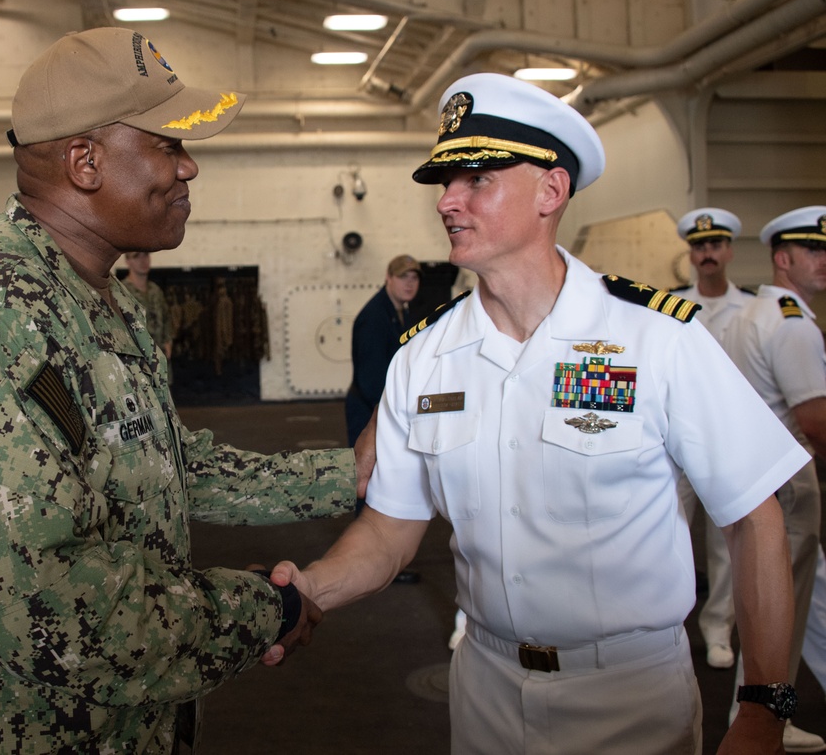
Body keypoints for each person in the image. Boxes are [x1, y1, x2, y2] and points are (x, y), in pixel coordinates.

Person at [266, 73, 806, 755]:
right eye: (444, 182)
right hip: (485, 692)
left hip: (632, 701)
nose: (448, 201)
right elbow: (390, 530)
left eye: (477, 179)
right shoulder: (424, 357)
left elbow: (754, 513)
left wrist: (763, 707)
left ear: (551, 191)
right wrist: (313, 587)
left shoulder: (656, 337)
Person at [0, 27, 368, 754]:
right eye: (168, 145)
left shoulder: (98, 298)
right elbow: (52, 607)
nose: (189, 166)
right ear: (85, 163)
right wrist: (265, 608)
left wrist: (345, 476)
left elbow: (161, 463)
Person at [722, 206, 826, 753]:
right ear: (783, 258)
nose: (825, 261)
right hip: (786, 475)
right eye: (814, 251)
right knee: (780, 603)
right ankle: (765, 721)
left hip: (756, 469)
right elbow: (815, 420)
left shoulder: (752, 312)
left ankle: (760, 713)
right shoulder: (791, 324)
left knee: (790, 602)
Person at [672, 207, 753, 671]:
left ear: (729, 251)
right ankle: (668, 622)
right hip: (680, 439)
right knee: (669, 530)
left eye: (715, 245)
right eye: (700, 246)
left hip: (730, 441)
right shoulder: (672, 305)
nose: (707, 253)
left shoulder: (754, 307)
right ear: (691, 254)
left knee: (727, 543)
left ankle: (718, 627)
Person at [345, 254, 421, 448]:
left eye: (414, 278)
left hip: (382, 408)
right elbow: (371, 380)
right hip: (370, 411)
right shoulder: (374, 318)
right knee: (368, 476)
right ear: (388, 277)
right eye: (403, 277)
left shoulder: (400, 311)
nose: (409, 284)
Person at [123, 250, 174, 359]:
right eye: (136, 256)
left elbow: (166, 318)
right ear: (128, 261)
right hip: (136, 360)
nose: (143, 260)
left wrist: (168, 341)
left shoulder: (155, 291)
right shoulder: (121, 291)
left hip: (160, 358)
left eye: (145, 255)